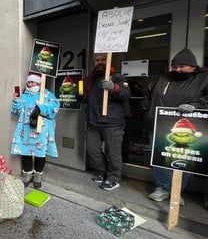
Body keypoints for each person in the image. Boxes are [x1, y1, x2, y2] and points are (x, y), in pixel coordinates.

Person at [143, 48, 208, 203]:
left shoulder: (204, 78)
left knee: (184, 158)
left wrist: (196, 104)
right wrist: (146, 106)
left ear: (193, 66)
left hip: (189, 127)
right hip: (160, 125)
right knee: (160, 157)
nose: (178, 70)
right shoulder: (164, 77)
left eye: (182, 66)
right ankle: (162, 188)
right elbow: (148, 92)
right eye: (175, 66)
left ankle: (177, 190)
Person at [82, 53, 131, 191]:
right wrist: (80, 95)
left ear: (108, 61)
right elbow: (84, 99)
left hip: (112, 123)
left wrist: (114, 87)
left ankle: (113, 178)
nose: (100, 62)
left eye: (103, 60)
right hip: (93, 122)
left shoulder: (117, 77)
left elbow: (126, 94)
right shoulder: (90, 80)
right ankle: (102, 172)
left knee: (113, 152)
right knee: (92, 150)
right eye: (97, 60)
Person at [11, 73, 60, 188]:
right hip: (26, 131)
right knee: (26, 153)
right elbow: (16, 112)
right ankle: (27, 174)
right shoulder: (24, 96)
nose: (30, 84)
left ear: (38, 83)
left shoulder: (47, 94)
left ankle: (38, 175)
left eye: (33, 82)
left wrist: (40, 108)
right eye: (29, 82)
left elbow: (55, 106)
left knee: (40, 154)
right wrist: (16, 101)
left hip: (42, 131)